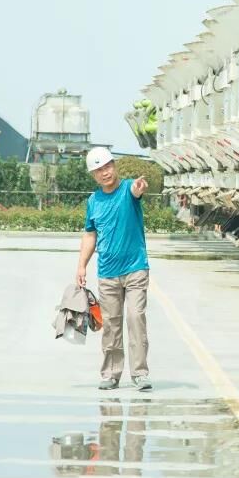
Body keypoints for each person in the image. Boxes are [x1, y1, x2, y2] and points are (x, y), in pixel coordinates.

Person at [75, 147, 152, 391]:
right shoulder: (93, 201)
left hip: (135, 267)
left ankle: (140, 373)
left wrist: (139, 188)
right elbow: (90, 234)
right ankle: (111, 374)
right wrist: (81, 265)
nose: (105, 172)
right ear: (93, 175)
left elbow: (136, 191)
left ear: (114, 166)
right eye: (99, 170)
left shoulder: (128, 189)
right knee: (111, 324)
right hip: (107, 272)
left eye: (107, 166)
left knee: (135, 317)